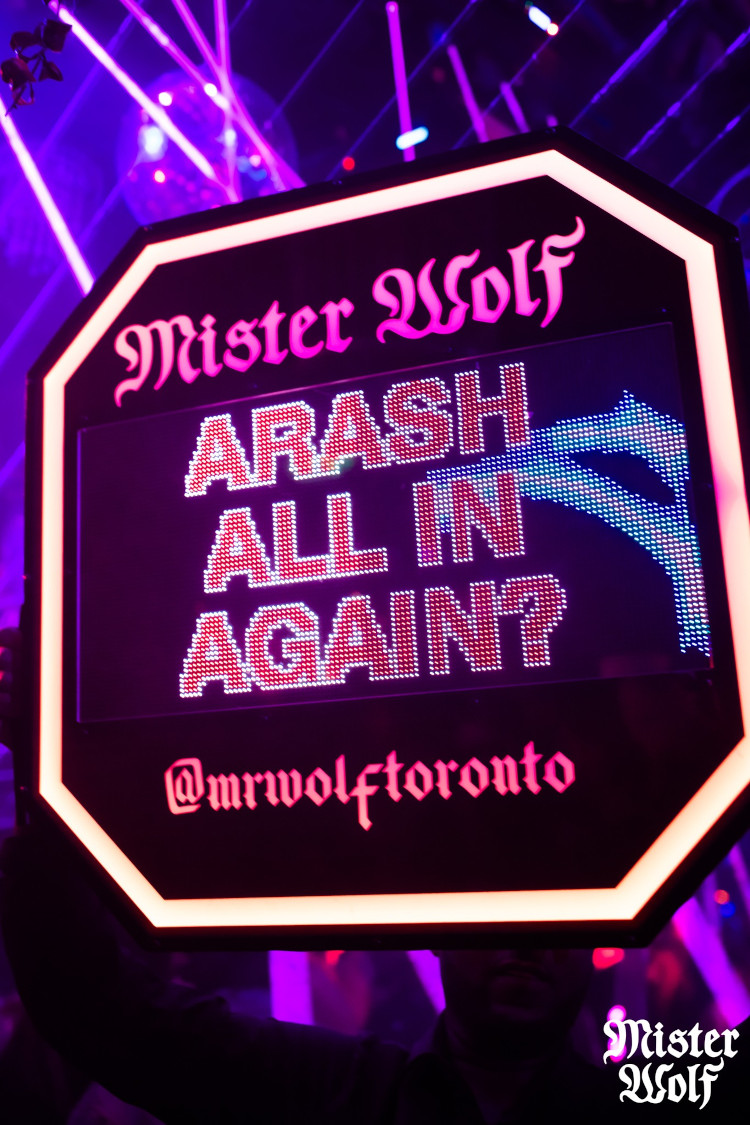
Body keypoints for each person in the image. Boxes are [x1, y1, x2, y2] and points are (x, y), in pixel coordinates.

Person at [0, 626, 624, 1123]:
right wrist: (50, 770)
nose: (527, 940)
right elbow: (101, 1009)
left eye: (559, 911)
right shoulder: (341, 1092)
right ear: (437, 926)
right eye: (500, 906)